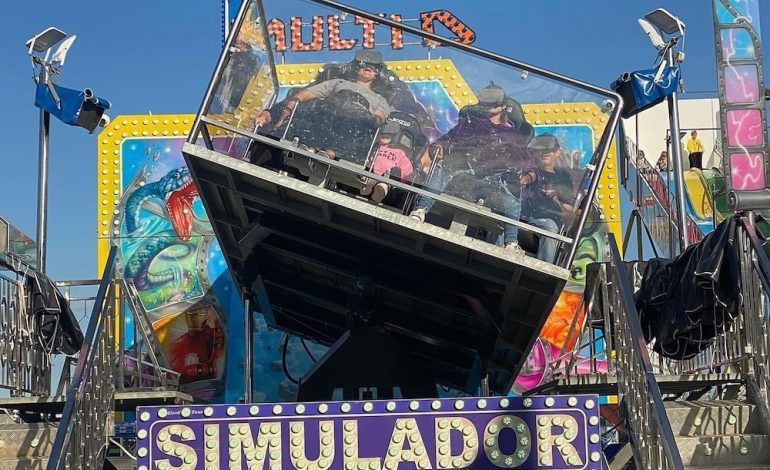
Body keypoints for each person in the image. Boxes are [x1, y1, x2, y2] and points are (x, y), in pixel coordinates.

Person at [409, 83, 535, 254]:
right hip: (464, 174)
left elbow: (529, 163)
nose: (490, 106)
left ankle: (511, 241)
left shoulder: (512, 135)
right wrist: (438, 146)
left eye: (494, 103)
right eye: (487, 102)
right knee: (445, 166)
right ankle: (420, 210)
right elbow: (447, 139)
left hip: (494, 183)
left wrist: (529, 176)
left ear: (503, 107)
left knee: (513, 191)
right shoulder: (470, 122)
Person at [254, 50, 392, 163]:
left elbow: (377, 120)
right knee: (314, 109)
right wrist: (285, 109)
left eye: (373, 67)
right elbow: (305, 94)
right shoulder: (338, 82)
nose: (368, 68)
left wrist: (365, 119)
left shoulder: (380, 99)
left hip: (356, 121)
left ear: (377, 73)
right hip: (329, 111)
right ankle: (309, 147)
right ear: (356, 68)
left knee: (359, 127)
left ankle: (329, 155)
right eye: (363, 64)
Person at [520, 134, 575, 263]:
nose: (545, 152)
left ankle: (543, 271)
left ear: (558, 152)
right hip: (518, 216)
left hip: (544, 222)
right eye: (540, 149)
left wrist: (555, 198)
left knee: (550, 227)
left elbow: (570, 212)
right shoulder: (526, 169)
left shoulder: (563, 180)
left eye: (549, 149)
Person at [360, 121, 414, 203]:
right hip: (371, 173)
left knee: (395, 171)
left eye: (389, 134)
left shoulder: (399, 152)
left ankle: (381, 190)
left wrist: (402, 183)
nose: (385, 135)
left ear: (395, 136)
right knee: (369, 166)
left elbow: (407, 170)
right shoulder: (373, 147)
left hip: (388, 179)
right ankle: (368, 185)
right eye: (383, 133)